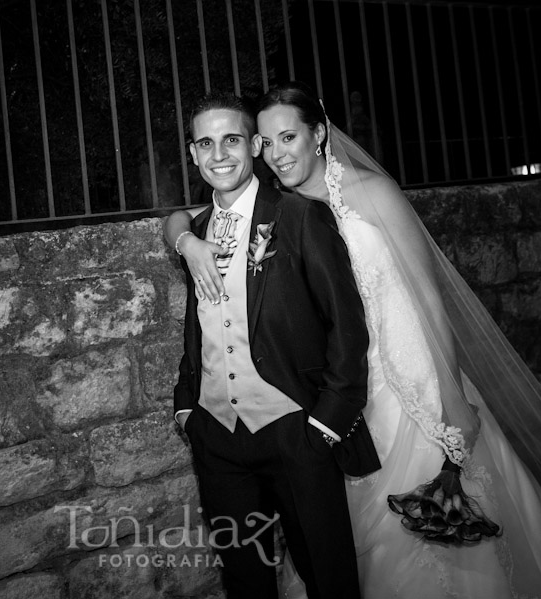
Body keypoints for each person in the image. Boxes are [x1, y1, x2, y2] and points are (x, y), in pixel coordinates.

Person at [165, 82, 541, 598]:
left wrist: (453, 401)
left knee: (442, 531)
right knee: (341, 537)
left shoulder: (369, 193)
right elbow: (189, 218)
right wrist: (184, 239)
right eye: (267, 143)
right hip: (340, 388)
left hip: (407, 377)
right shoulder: (279, 210)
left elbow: (427, 296)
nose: (277, 153)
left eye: (287, 136)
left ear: (320, 133)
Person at [172, 91, 381, 599]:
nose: (219, 154)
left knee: (327, 577)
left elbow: (347, 327)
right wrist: (186, 410)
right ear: (193, 153)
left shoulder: (300, 217)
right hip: (216, 434)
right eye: (206, 143)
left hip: (295, 430)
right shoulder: (194, 232)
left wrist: (326, 424)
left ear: (255, 145)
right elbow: (199, 325)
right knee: (245, 581)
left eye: (232, 140)